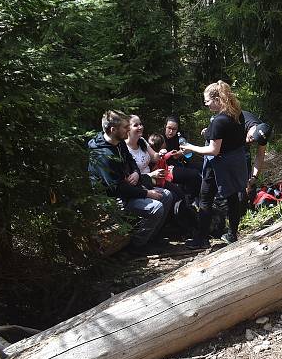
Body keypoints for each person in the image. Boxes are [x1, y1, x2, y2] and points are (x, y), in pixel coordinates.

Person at [87, 110, 173, 250]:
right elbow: (116, 189)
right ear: (113, 129)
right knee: (155, 207)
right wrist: (146, 194)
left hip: (131, 188)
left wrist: (136, 173)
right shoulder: (103, 154)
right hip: (114, 199)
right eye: (125, 127)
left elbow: (131, 161)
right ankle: (137, 246)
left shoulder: (119, 142)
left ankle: (151, 238)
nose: (128, 130)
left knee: (167, 195)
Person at [181, 81, 249, 246]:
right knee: (232, 196)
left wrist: (190, 147)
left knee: (205, 198)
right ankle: (232, 234)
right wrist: (209, 132)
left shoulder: (219, 120)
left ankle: (201, 239)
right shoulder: (235, 113)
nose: (206, 104)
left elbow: (213, 150)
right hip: (235, 161)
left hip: (219, 165)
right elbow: (226, 135)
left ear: (218, 99)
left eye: (207, 101)